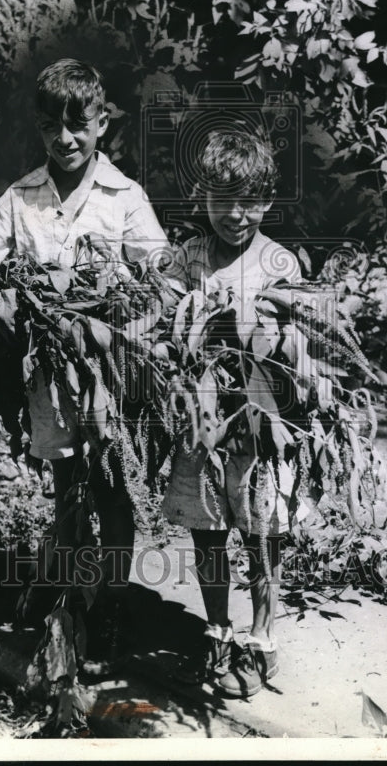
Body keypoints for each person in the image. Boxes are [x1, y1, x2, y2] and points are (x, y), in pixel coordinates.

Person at [0, 58, 168, 658]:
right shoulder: (21, 199)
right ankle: (71, 598)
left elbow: (161, 278)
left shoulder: (124, 197)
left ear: (103, 125)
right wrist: (6, 317)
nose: (66, 138)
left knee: (114, 485)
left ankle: (116, 602)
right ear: (39, 128)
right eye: (52, 126)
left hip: (114, 375)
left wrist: (128, 326)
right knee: (68, 483)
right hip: (48, 375)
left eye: (80, 124)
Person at [162, 125, 305, 698]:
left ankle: (262, 634)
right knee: (208, 532)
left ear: (267, 201)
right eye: (224, 200)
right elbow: (167, 317)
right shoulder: (190, 256)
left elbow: (292, 347)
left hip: (258, 422)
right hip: (202, 425)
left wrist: (252, 326)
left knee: (262, 532)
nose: (236, 214)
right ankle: (217, 629)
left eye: (249, 201)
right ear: (205, 198)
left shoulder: (280, 264)